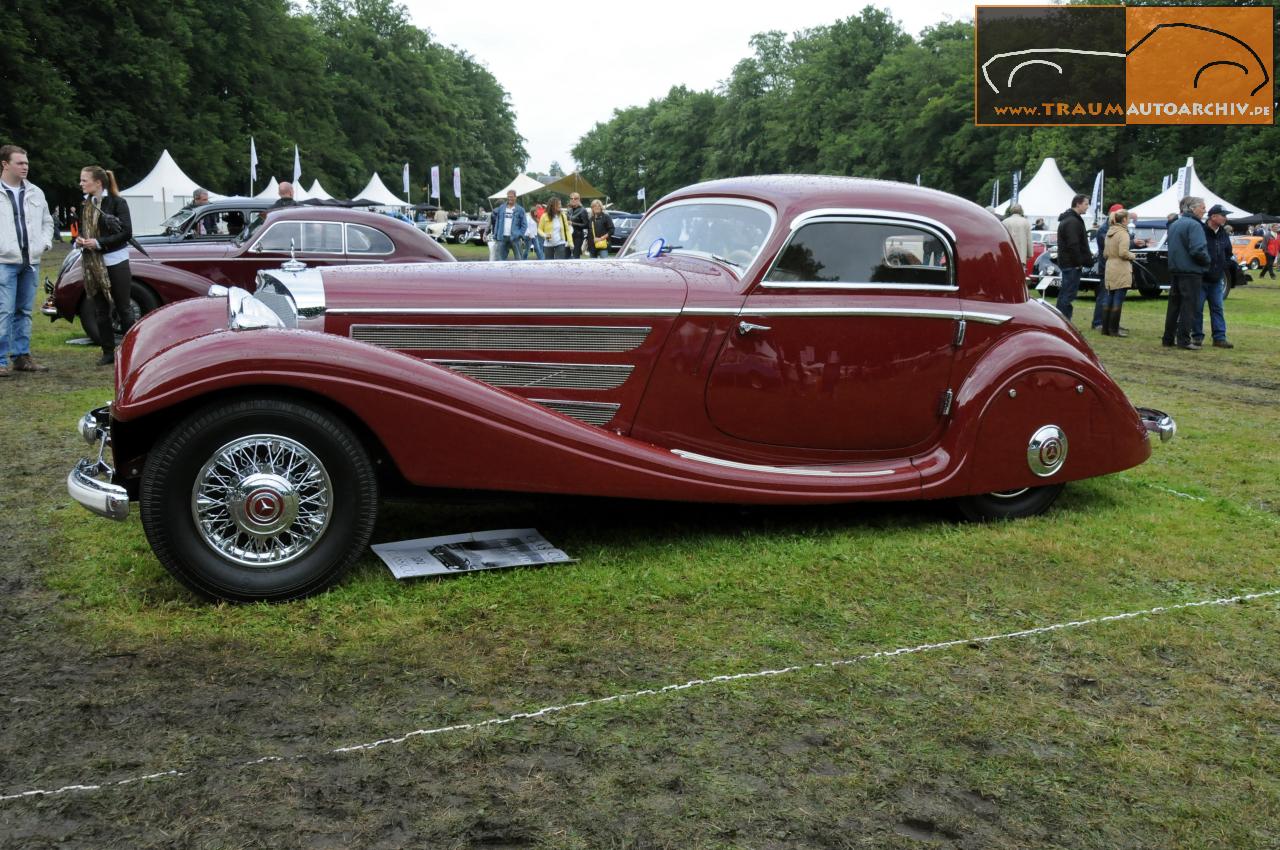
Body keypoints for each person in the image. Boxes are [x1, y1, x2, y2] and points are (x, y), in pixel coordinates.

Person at [0, 144, 54, 376]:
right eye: (20, 163)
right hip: (4, 261)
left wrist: (44, 244)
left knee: (24, 310)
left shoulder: (36, 192)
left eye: (26, 163)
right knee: (4, 310)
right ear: (5, 164)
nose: (25, 167)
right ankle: (1, 360)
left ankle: (21, 356)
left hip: (30, 261)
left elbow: (47, 222)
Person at [76, 165, 134, 365]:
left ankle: (131, 351)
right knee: (100, 309)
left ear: (98, 183)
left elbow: (126, 233)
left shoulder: (118, 202)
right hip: (93, 262)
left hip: (115, 260)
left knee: (123, 308)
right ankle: (108, 351)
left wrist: (100, 242)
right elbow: (82, 230)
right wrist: (79, 240)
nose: (81, 183)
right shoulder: (86, 204)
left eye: (84, 180)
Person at [1161, 196, 1210, 351]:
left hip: (1176, 270)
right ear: (1193, 208)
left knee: (1174, 306)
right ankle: (1183, 340)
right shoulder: (1195, 226)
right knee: (1189, 307)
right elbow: (1197, 249)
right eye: (1202, 207)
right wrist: (1207, 261)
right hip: (1190, 271)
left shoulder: (1175, 224)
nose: (1204, 210)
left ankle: (1168, 338)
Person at [1193, 204, 1234, 349]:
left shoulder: (1223, 234)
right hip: (1201, 278)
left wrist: (1224, 265)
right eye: (1223, 215)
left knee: (1217, 308)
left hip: (1217, 279)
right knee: (1197, 309)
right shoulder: (1200, 231)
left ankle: (1219, 337)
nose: (1225, 218)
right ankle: (1197, 337)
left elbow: (1228, 253)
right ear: (1213, 217)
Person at [1055, 194, 1091, 320]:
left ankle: (1062, 321)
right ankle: (1063, 322)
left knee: (1066, 294)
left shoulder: (1071, 219)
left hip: (1069, 262)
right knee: (1067, 295)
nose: (1088, 206)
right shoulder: (1072, 221)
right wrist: (1078, 262)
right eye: (1086, 204)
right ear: (1078, 204)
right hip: (1071, 264)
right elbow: (1073, 244)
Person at [1090, 203, 1126, 331]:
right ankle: (1098, 322)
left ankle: (1112, 322)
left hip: (1115, 267)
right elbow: (1113, 245)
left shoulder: (1117, 228)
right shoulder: (1104, 230)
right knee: (1105, 296)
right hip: (1107, 267)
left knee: (1115, 296)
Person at [1101, 208, 1136, 337]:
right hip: (1121, 267)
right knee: (1118, 298)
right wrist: (1133, 256)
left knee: (1109, 296)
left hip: (1110, 266)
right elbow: (1123, 253)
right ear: (1125, 220)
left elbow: (1105, 253)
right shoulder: (1123, 233)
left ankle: (1105, 328)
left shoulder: (1109, 232)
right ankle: (1114, 329)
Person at [489, 189, 527, 260]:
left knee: (519, 259)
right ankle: (501, 271)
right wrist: (496, 235)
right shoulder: (501, 208)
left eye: (512, 197)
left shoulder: (520, 209)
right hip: (502, 237)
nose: (510, 198)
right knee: (500, 259)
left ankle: (519, 271)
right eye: (508, 197)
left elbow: (524, 224)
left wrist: (519, 234)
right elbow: (497, 222)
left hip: (515, 238)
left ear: (515, 197)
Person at [1001, 203, 1032, 268]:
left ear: (1011, 211)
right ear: (1021, 211)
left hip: (1008, 254)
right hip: (1021, 255)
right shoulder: (1025, 222)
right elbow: (1029, 240)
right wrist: (1029, 254)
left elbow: (1001, 239)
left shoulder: (1004, 222)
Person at [567, 192, 590, 258]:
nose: (573, 200)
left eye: (575, 198)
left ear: (579, 199)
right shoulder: (569, 210)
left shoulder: (583, 210)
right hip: (568, 236)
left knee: (575, 256)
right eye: (571, 198)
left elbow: (586, 224)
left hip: (578, 236)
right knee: (566, 256)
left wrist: (573, 223)